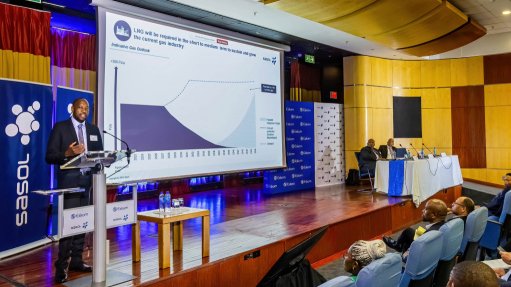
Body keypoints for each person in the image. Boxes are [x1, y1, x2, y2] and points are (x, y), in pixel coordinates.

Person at [46, 98, 103, 283]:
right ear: (73, 109)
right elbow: (49, 156)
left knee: (83, 223)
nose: (84, 110)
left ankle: (77, 260)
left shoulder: (93, 130)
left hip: (88, 183)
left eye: (86, 108)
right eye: (80, 107)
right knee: (70, 225)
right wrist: (67, 154)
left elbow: (99, 155)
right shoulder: (60, 128)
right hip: (69, 184)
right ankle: (61, 266)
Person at [383, 199, 448, 253]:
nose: (422, 211)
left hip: (423, 248)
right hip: (429, 241)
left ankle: (397, 246)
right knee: (411, 231)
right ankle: (399, 245)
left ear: (433, 215)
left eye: (425, 209)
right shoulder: (444, 224)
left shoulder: (430, 233)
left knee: (408, 235)